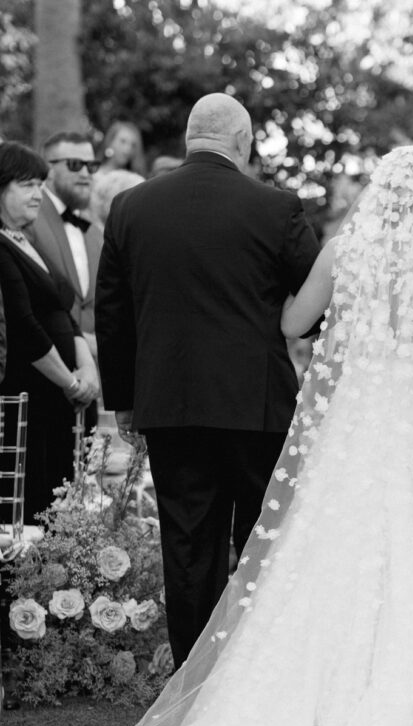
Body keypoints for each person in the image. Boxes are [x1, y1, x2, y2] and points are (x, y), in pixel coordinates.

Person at [38, 146, 413, 726]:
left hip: (356, 423)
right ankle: (412, 687)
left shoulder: (346, 249)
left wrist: (347, 329)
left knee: (336, 552)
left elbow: (291, 323)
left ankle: (310, 690)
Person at [94, 94, 320, 670]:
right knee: (261, 541)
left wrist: (123, 401)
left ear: (191, 136)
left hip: (169, 403)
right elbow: (318, 304)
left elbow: (112, 314)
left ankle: (191, 682)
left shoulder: (130, 207)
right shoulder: (275, 208)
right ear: (242, 140)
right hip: (256, 404)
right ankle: (255, 671)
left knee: (188, 546)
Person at [0, 142, 98, 521]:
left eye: (41, 184)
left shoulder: (27, 240)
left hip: (64, 402)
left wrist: (88, 371)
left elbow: (64, 313)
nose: (38, 194)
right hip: (33, 402)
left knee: (60, 514)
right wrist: (70, 383)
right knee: (31, 513)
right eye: (27, 184)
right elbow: (24, 326)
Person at [28, 132, 104, 346]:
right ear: (49, 170)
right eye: (74, 164)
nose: (85, 173)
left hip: (93, 373)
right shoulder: (28, 218)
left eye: (91, 166)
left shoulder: (95, 232)